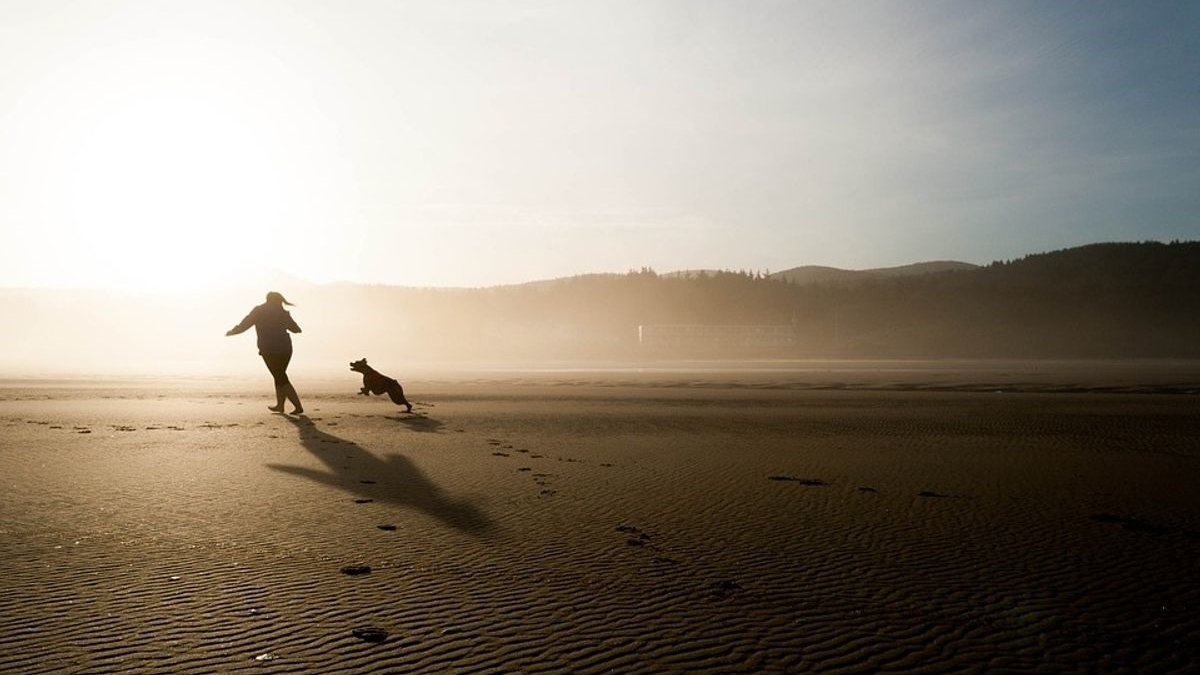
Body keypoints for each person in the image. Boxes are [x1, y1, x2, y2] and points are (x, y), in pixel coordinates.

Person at [226, 291, 304, 415]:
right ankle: (280, 405)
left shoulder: (259, 310)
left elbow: (245, 324)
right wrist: (288, 323)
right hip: (286, 348)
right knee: (279, 375)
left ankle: (298, 406)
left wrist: (233, 331)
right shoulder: (282, 312)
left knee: (280, 376)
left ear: (267, 299)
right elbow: (296, 329)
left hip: (269, 349)